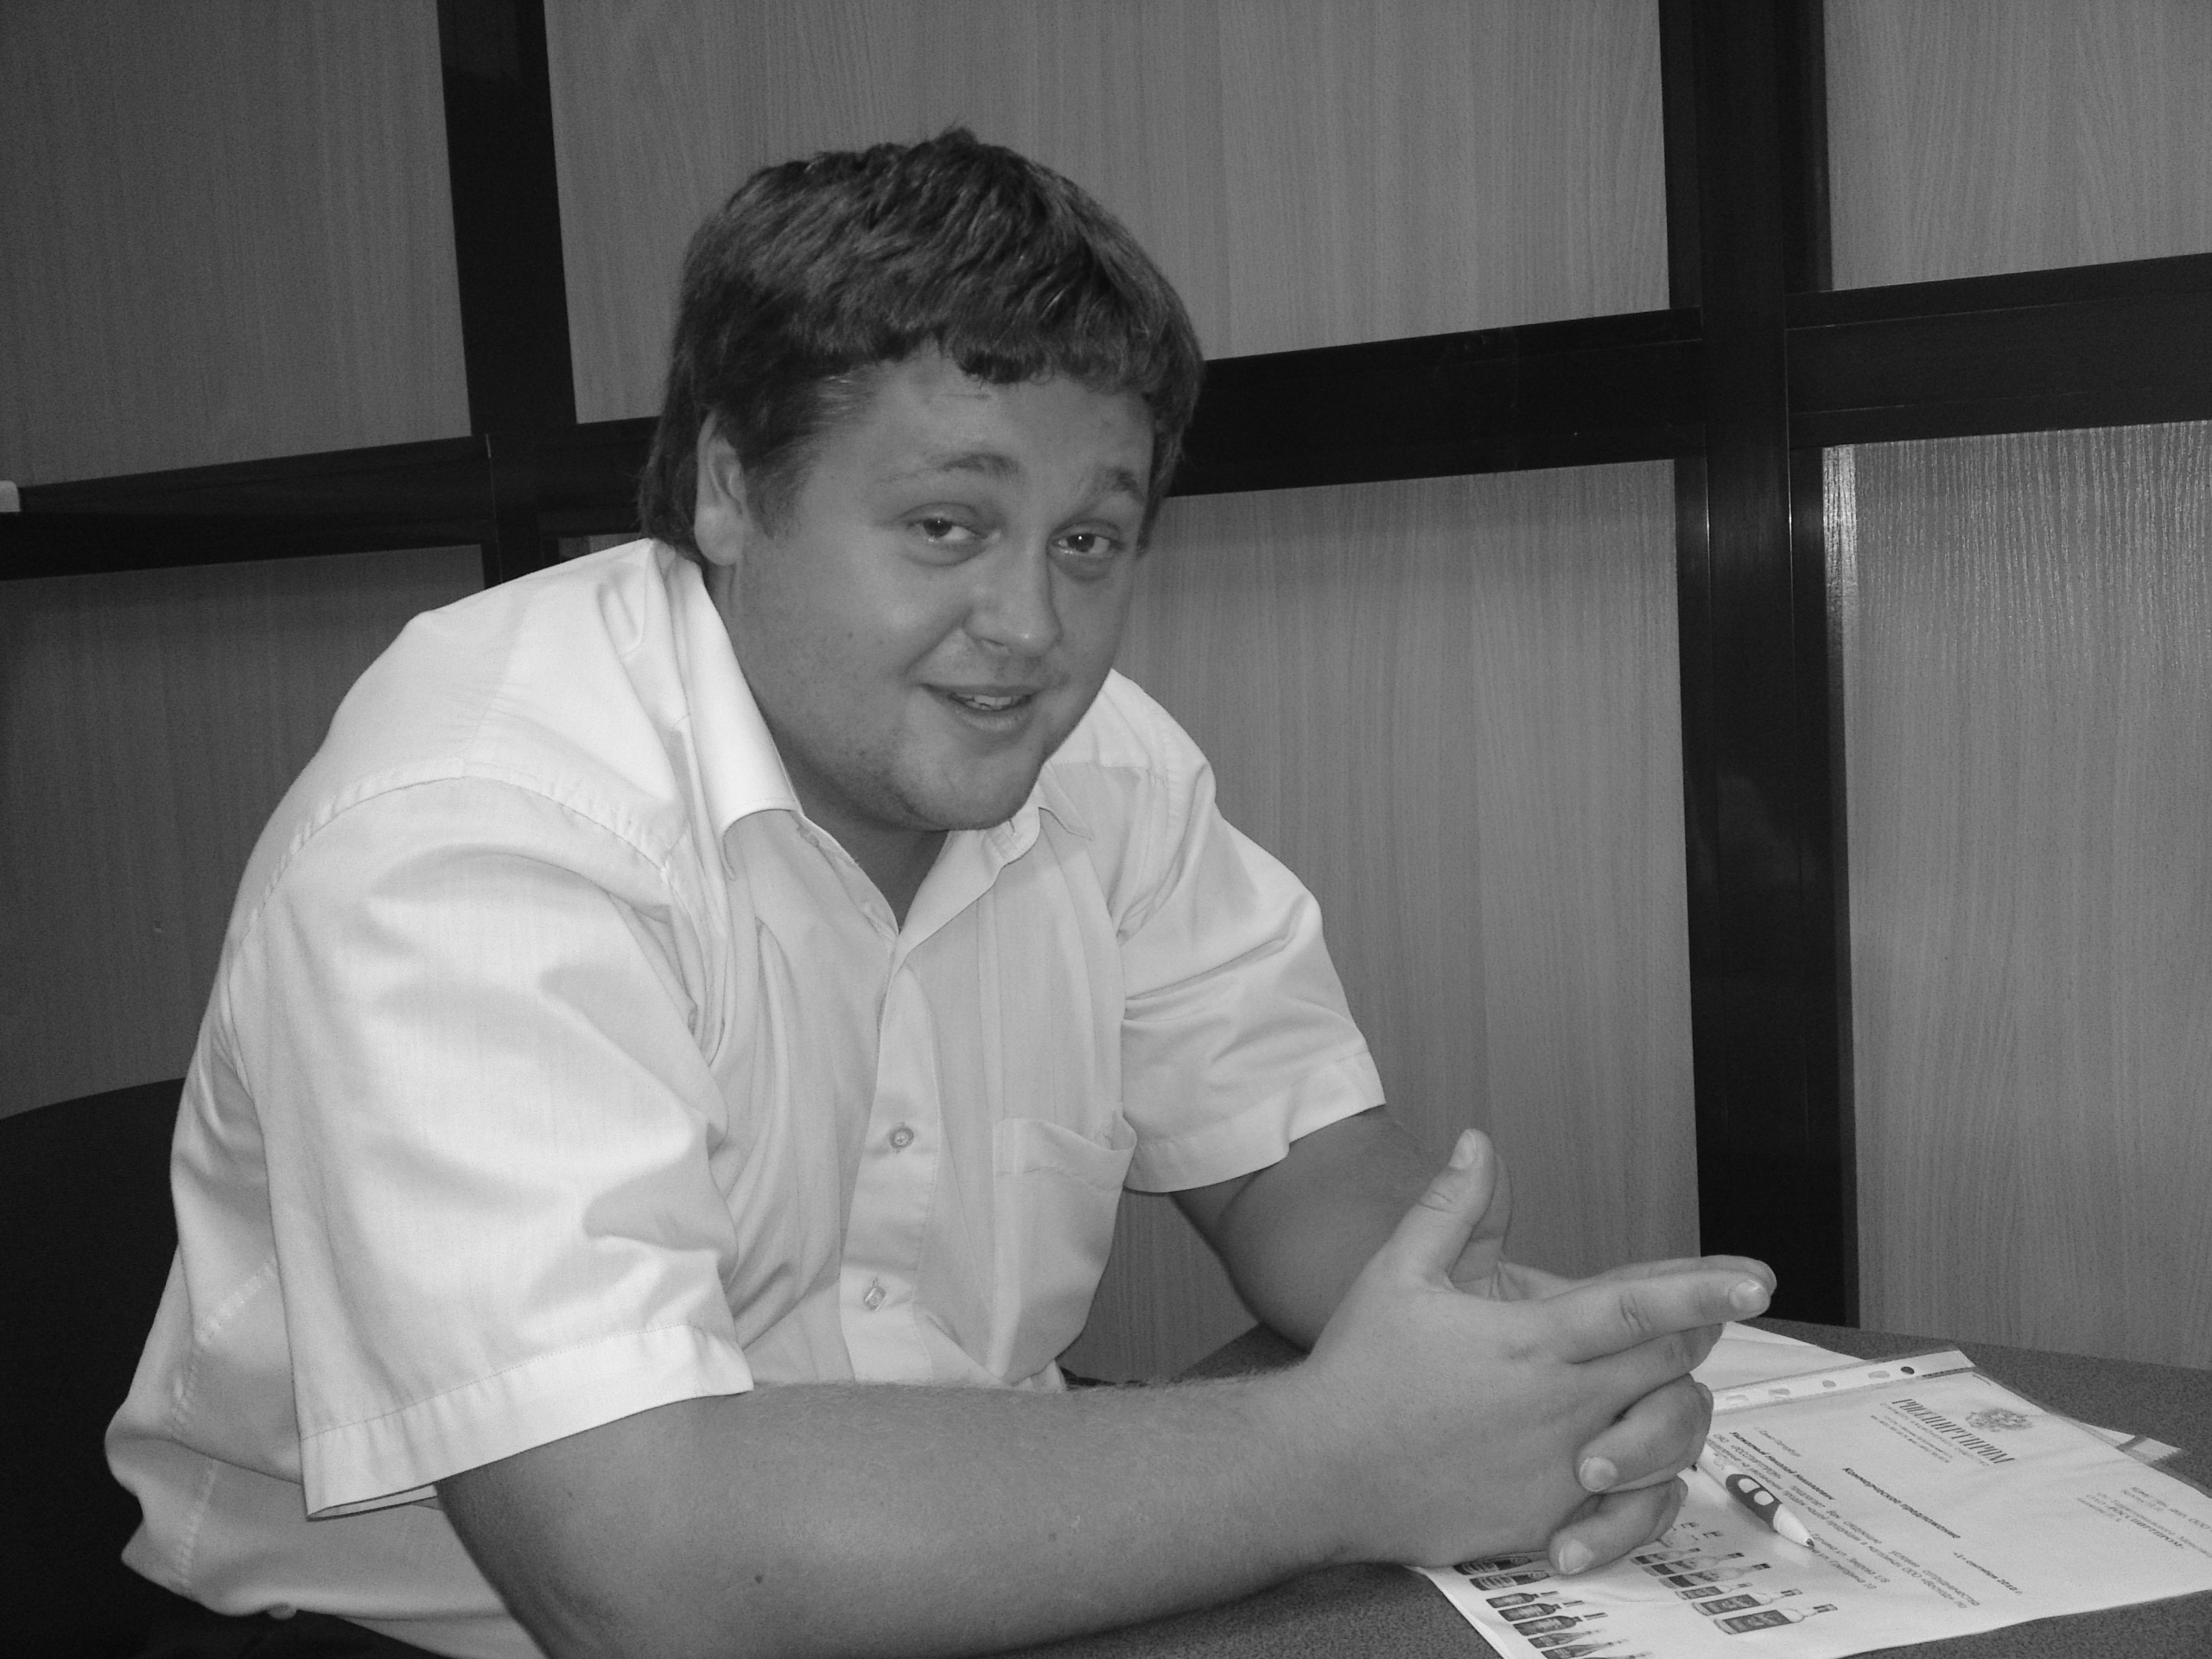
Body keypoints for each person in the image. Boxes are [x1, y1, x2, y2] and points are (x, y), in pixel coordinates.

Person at [109, 130, 1771, 1659]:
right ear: (729, 489)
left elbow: (1299, 1162)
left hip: (977, 1565)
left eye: (1088, 543)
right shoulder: (472, 826)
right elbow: (636, 1563)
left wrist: (1512, 1379)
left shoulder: (1098, 766)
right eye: (946, 524)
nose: (1032, 630)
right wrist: (1342, 1459)